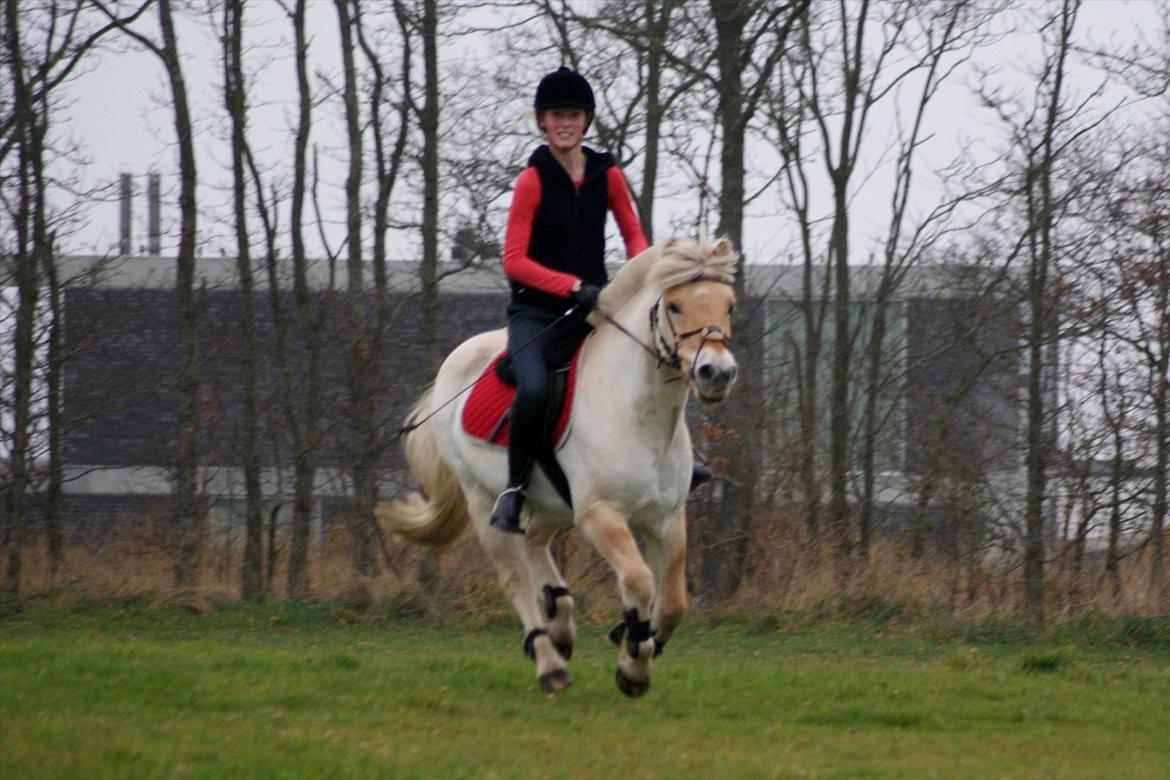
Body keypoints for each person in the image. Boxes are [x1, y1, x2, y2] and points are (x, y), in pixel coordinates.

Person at [489, 66, 708, 534]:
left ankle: (688, 459)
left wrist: (647, 276)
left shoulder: (606, 174)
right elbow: (513, 260)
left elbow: (633, 234)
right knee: (533, 388)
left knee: (662, 360)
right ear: (542, 123)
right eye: (555, 115)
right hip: (537, 313)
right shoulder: (532, 180)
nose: (564, 123)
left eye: (572, 114)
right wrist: (569, 286)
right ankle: (514, 489)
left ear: (585, 121)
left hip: (594, 308)